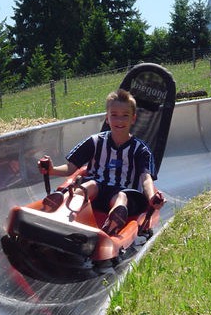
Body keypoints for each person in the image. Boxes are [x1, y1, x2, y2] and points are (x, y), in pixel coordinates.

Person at [37, 89, 164, 234]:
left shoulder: (140, 149)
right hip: (97, 188)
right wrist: (51, 169)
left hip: (125, 193)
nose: (119, 121)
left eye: (125, 116)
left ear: (133, 119)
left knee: (121, 197)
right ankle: (65, 216)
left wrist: (152, 197)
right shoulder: (95, 141)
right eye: (114, 115)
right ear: (107, 118)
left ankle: (112, 226)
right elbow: (70, 168)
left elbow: (146, 180)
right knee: (88, 186)